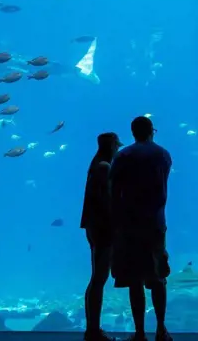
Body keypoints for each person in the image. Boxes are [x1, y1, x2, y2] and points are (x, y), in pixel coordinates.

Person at [109, 116, 172, 341]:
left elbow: (113, 191)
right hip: (156, 223)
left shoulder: (122, 155)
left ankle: (139, 333)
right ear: (151, 131)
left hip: (129, 226)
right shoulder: (163, 154)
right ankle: (161, 329)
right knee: (157, 278)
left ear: (133, 132)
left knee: (135, 280)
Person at [80, 132, 123, 341]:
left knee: (97, 277)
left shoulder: (96, 164)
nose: (118, 149)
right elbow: (107, 200)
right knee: (99, 278)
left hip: (94, 226)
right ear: (113, 145)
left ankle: (92, 329)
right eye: (117, 145)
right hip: (103, 227)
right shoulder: (105, 166)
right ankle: (93, 330)